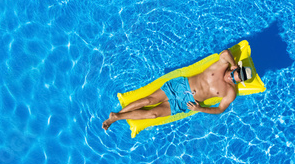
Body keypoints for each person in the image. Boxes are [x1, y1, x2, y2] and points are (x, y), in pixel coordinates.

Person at [102, 49, 252, 131]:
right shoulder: (222, 66)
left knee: (153, 114)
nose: (233, 78)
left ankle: (116, 116)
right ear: (236, 69)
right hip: (179, 86)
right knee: (149, 100)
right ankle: (114, 117)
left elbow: (219, 109)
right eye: (235, 74)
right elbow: (225, 53)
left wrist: (201, 109)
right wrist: (232, 64)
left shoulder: (230, 92)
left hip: (188, 102)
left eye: (237, 80)